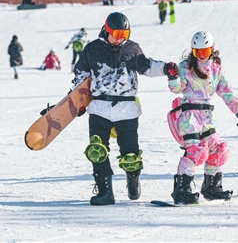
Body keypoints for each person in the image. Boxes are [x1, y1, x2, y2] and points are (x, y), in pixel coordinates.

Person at [71, 12, 179, 206]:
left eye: (124, 34)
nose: (120, 38)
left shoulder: (132, 49)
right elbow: (80, 76)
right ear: (107, 30)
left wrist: (165, 68)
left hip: (126, 108)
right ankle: (105, 191)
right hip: (99, 106)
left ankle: (132, 178)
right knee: (97, 149)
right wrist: (76, 102)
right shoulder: (92, 49)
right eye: (117, 33)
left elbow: (147, 66)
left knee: (130, 152)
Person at [166, 31, 238, 204]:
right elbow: (177, 89)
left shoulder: (216, 70)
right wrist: (173, 77)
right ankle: (182, 189)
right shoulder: (185, 67)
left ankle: (211, 187)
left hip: (206, 115)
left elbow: (227, 92)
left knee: (218, 148)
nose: (202, 56)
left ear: (212, 50)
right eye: (198, 53)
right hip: (189, 114)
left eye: (205, 52)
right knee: (195, 151)